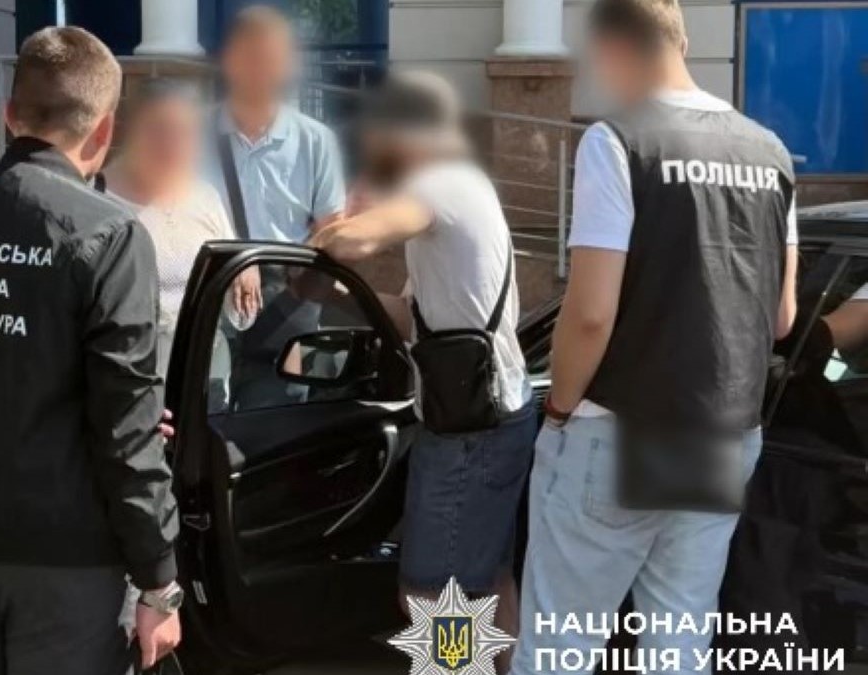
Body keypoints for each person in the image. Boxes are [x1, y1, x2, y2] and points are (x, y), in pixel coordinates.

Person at [508, 0, 798, 671]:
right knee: (679, 641)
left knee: (561, 644)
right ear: (682, 41)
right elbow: (782, 317)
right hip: (721, 433)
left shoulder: (618, 142)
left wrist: (559, 412)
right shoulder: (771, 151)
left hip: (620, 426)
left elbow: (590, 313)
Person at [0, 27, 181, 675]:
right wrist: (158, 578)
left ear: (9, 114)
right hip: (65, 558)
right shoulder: (110, 234)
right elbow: (126, 426)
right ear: (105, 129)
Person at [310, 72, 533, 671]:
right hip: (489, 414)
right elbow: (417, 319)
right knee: (488, 583)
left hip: (469, 430)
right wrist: (342, 297)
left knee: (432, 595)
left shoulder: (437, 183)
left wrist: (340, 221)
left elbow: (350, 243)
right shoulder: (465, 188)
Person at [104, 80, 260, 375]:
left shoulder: (205, 197)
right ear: (130, 131)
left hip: (203, 376)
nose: (172, 144)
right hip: (129, 379)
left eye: (185, 132)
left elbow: (238, 308)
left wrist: (244, 269)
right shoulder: (97, 200)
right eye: (159, 129)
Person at [206, 4, 346, 242]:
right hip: (211, 265)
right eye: (250, 56)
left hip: (287, 264)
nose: (258, 69)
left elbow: (330, 231)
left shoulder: (316, 141)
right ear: (228, 60)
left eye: (269, 57)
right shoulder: (189, 135)